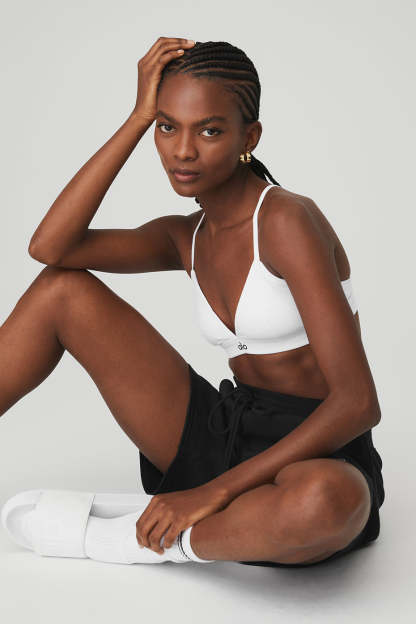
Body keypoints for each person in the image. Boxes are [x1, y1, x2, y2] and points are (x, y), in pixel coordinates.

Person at [0, 38, 384, 568]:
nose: (182, 151)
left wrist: (214, 491)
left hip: (315, 454)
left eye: (209, 130)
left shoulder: (286, 220)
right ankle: (224, 527)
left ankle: (146, 543)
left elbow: (358, 403)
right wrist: (137, 117)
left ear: (249, 136)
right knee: (60, 291)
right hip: (225, 429)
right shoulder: (187, 235)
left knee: (326, 503)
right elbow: (51, 248)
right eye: (167, 127)